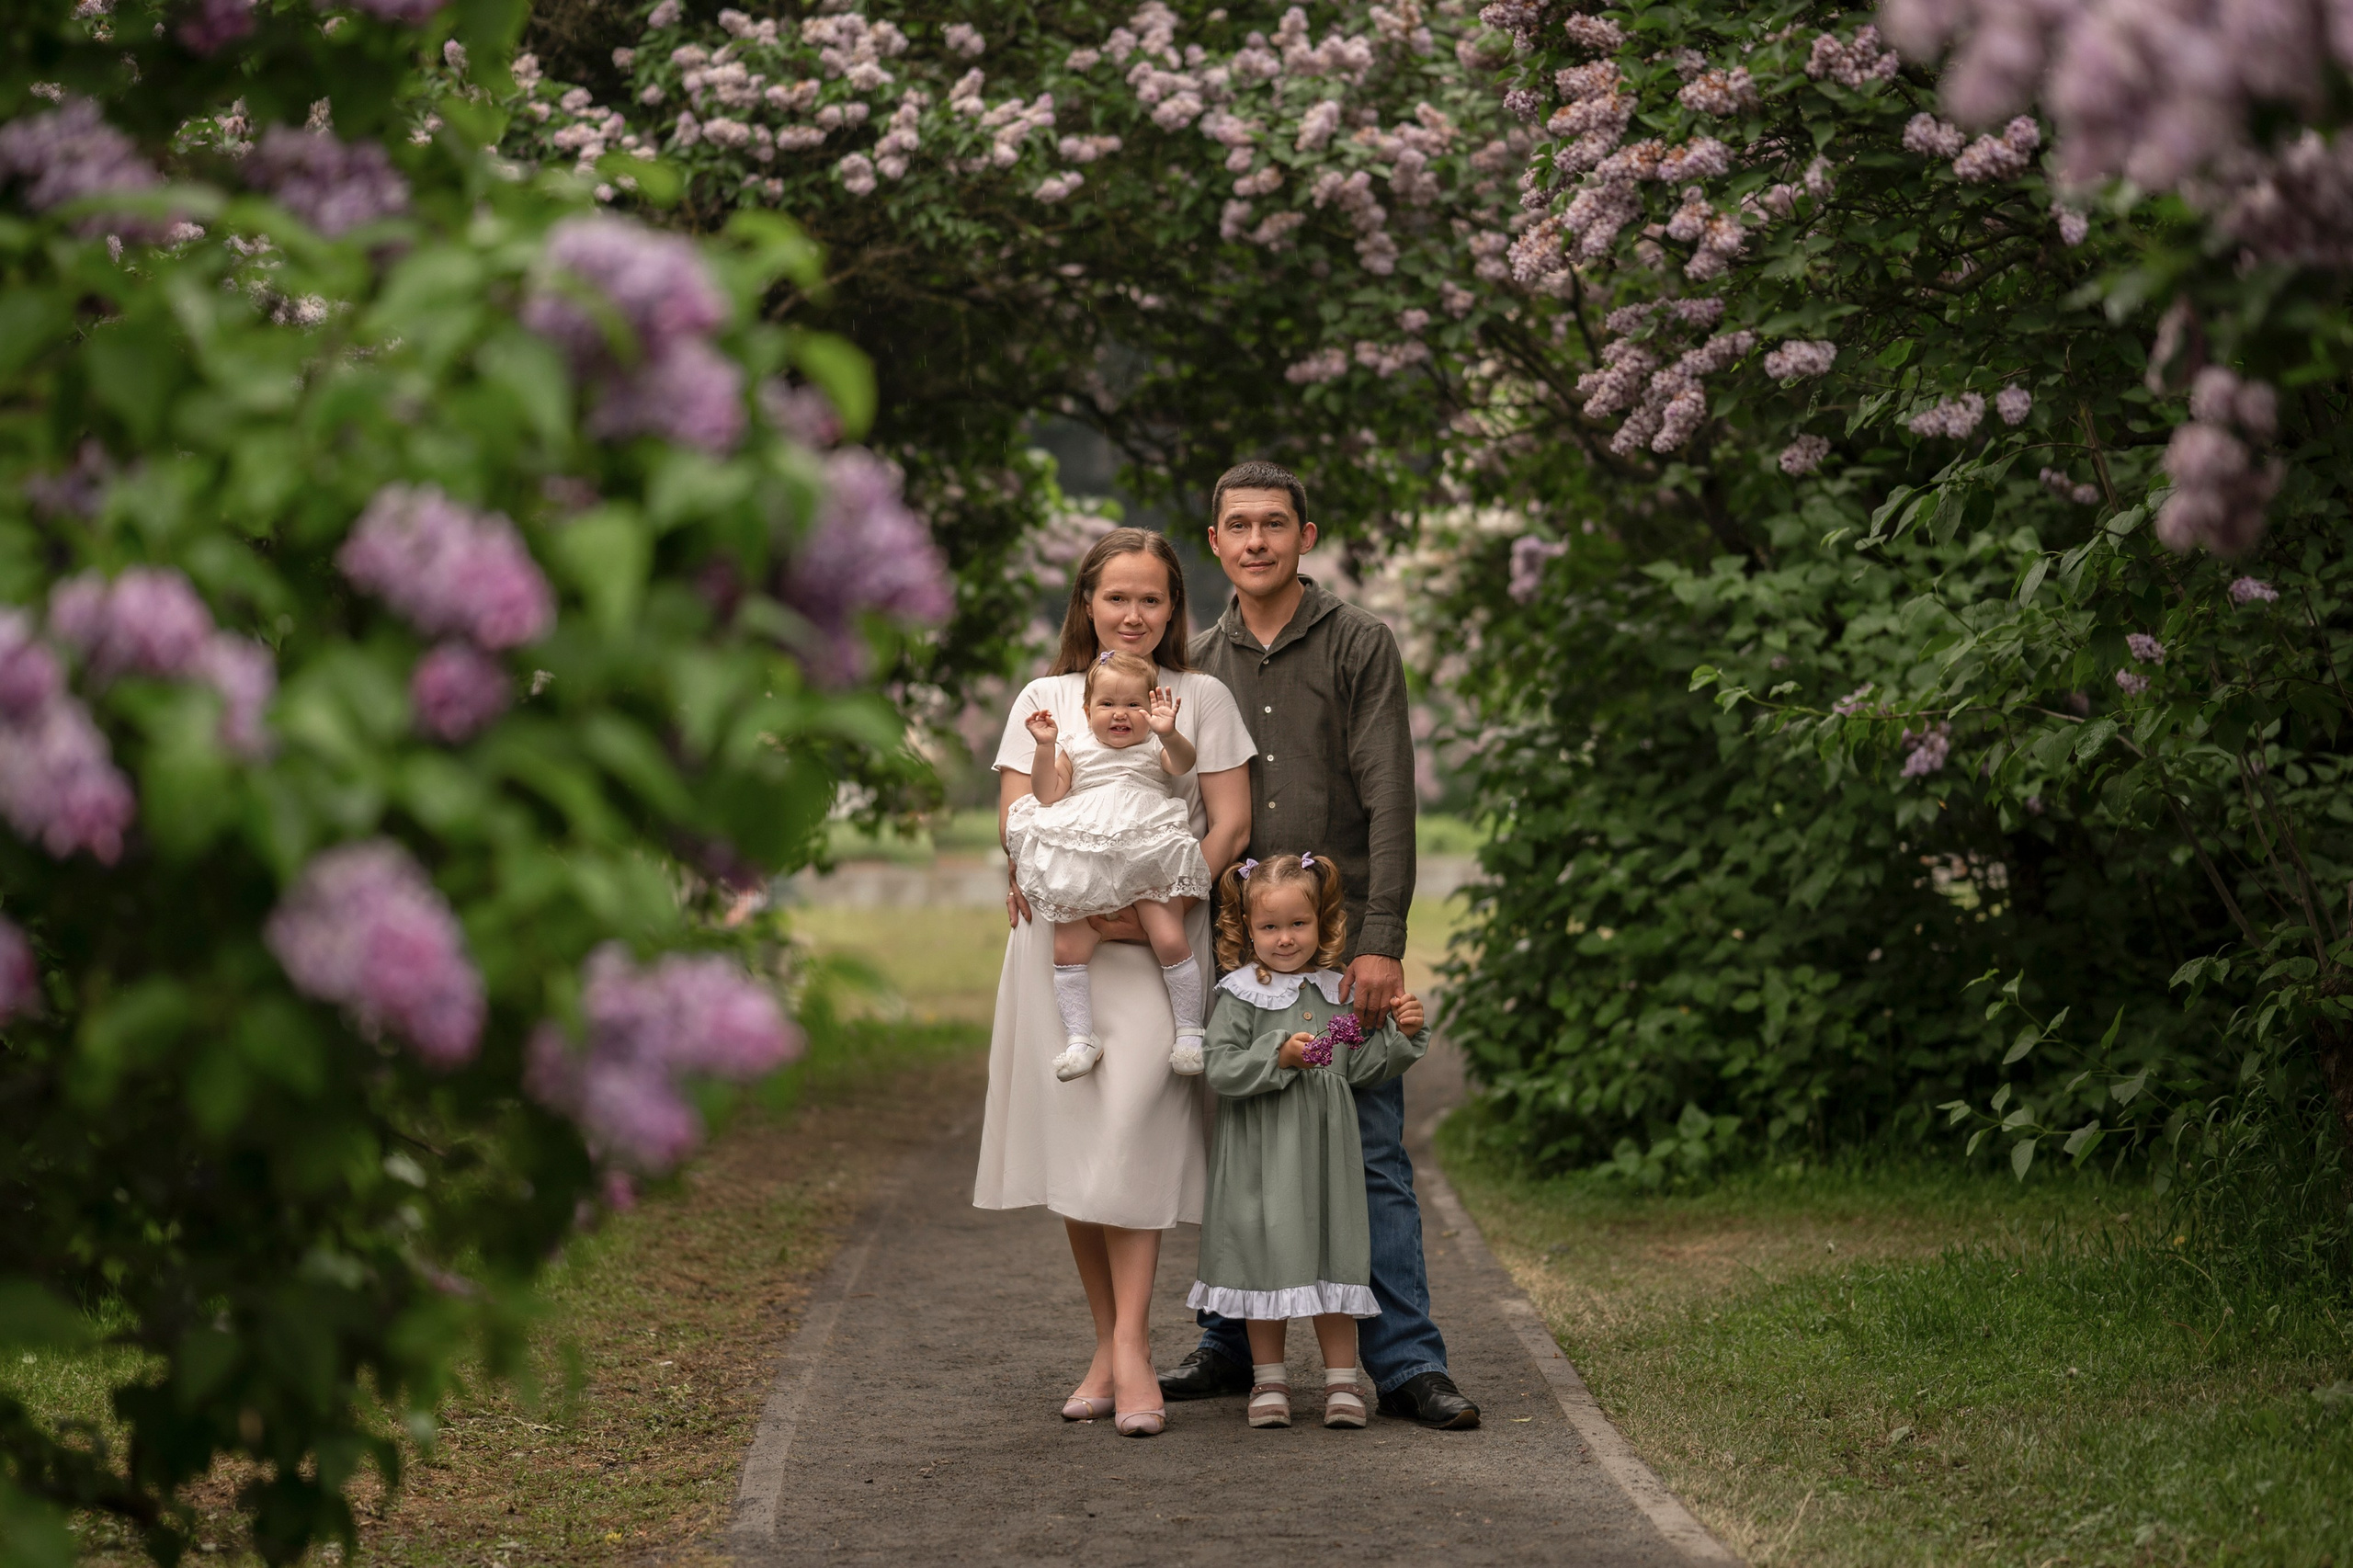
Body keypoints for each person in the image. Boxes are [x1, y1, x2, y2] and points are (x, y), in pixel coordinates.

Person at [1161, 459, 1482, 1431]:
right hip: (1227, 948)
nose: (1255, 540)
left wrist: (1379, 940)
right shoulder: (1195, 663)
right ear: (1213, 541)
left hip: (1339, 950)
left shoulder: (1357, 643)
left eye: (1273, 523)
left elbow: (1390, 795)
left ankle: (1406, 1361)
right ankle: (1228, 1343)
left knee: (1370, 1149)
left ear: (1305, 533)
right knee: (1240, 1149)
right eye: (1236, 525)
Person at [972, 527, 1254, 1437]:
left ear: (1175, 608)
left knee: (1135, 1125)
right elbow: (1020, 816)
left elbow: (1229, 825)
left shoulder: (1199, 697)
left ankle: (1131, 1346)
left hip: (1161, 935)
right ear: (1086, 603)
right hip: (1066, 944)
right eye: (1116, 596)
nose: (1133, 614)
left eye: (1153, 598)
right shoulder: (1044, 697)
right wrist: (1068, 893)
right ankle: (1109, 1343)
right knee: (1085, 1141)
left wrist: (1150, 899)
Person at [1189, 853, 1428, 1431]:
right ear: (1247, 930)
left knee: (1333, 1253)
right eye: (1269, 927)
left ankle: (1341, 1385)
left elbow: (1358, 1060)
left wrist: (1404, 1032)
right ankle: (1268, 1383)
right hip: (1262, 1155)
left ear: (1321, 923)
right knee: (1263, 1258)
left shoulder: (1334, 993)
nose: (1285, 938)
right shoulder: (1241, 995)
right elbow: (1218, 1067)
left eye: (1298, 924)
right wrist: (1279, 1056)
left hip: (1325, 1155)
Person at [1006, 648, 1213, 1081]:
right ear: (1086, 710)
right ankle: (1081, 1037)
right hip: (1087, 861)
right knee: (1067, 949)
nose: (1121, 715)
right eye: (1107, 704)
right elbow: (1047, 794)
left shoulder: (1155, 746)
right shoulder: (1074, 747)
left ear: (1150, 707)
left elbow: (1183, 763)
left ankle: (1190, 1031)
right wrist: (1045, 748)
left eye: (1134, 705)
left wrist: (1169, 732)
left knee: (1170, 938)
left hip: (1144, 857)